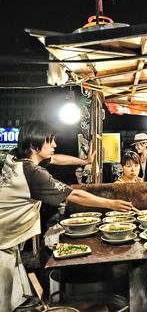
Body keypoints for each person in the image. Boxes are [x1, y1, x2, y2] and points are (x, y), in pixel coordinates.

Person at [0, 120, 133, 311]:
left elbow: (56, 159)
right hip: (2, 243)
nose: (54, 145)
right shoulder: (33, 174)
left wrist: (84, 161)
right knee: (5, 302)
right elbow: (74, 194)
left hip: (7, 239)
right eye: (50, 141)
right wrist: (110, 204)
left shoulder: (16, 157)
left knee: (15, 298)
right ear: (33, 144)